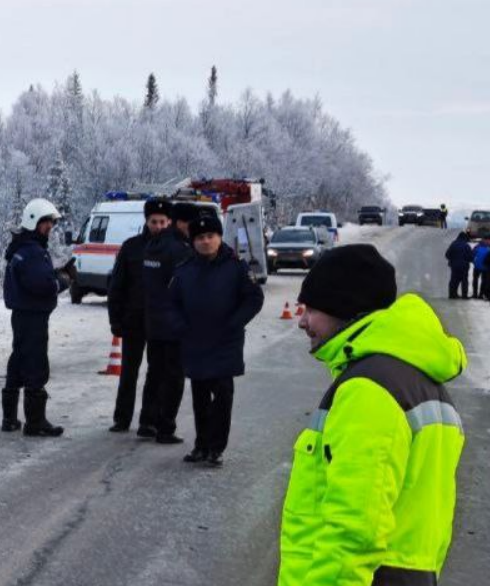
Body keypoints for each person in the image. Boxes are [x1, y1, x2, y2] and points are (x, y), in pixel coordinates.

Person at [279, 245, 465, 586]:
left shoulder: (370, 389)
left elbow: (355, 528)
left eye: (313, 310)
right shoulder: (414, 377)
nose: (302, 321)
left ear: (345, 309)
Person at [168, 215, 264, 467]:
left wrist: (235, 322)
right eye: (200, 238)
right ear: (193, 242)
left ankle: (216, 448)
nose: (206, 241)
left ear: (219, 237)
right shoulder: (184, 269)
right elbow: (171, 303)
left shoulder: (236, 266)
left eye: (210, 236)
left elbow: (254, 298)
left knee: (222, 397)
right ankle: (201, 445)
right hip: (195, 342)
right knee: (199, 397)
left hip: (225, 342)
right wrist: (181, 327)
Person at [2, 198, 72, 437]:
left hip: (22, 314)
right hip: (33, 317)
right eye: (46, 223)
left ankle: (10, 418)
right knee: (35, 364)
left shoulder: (21, 248)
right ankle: (35, 421)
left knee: (19, 360)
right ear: (33, 222)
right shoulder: (32, 252)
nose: (50, 228)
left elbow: (35, 278)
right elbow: (42, 284)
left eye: (51, 223)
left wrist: (55, 274)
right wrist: (63, 280)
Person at [107, 198, 172, 434]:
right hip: (133, 320)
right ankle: (121, 418)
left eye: (163, 222)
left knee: (156, 373)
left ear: (169, 222)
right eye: (154, 221)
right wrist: (115, 318)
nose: (159, 226)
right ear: (146, 221)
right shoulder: (131, 247)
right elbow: (117, 285)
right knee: (129, 372)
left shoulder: (174, 250)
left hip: (160, 323)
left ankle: (148, 420)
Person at [140, 201, 197, 444]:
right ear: (181, 222)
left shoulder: (153, 244)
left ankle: (147, 421)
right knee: (173, 378)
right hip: (173, 324)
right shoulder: (180, 249)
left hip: (153, 321)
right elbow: (186, 287)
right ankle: (165, 427)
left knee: (155, 373)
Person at [444, 231, 474, 299]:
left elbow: (447, 255)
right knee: (464, 281)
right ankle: (464, 296)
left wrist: (453, 259)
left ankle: (452, 294)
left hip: (454, 266)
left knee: (454, 281)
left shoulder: (453, 244)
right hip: (464, 267)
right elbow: (471, 257)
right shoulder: (466, 246)